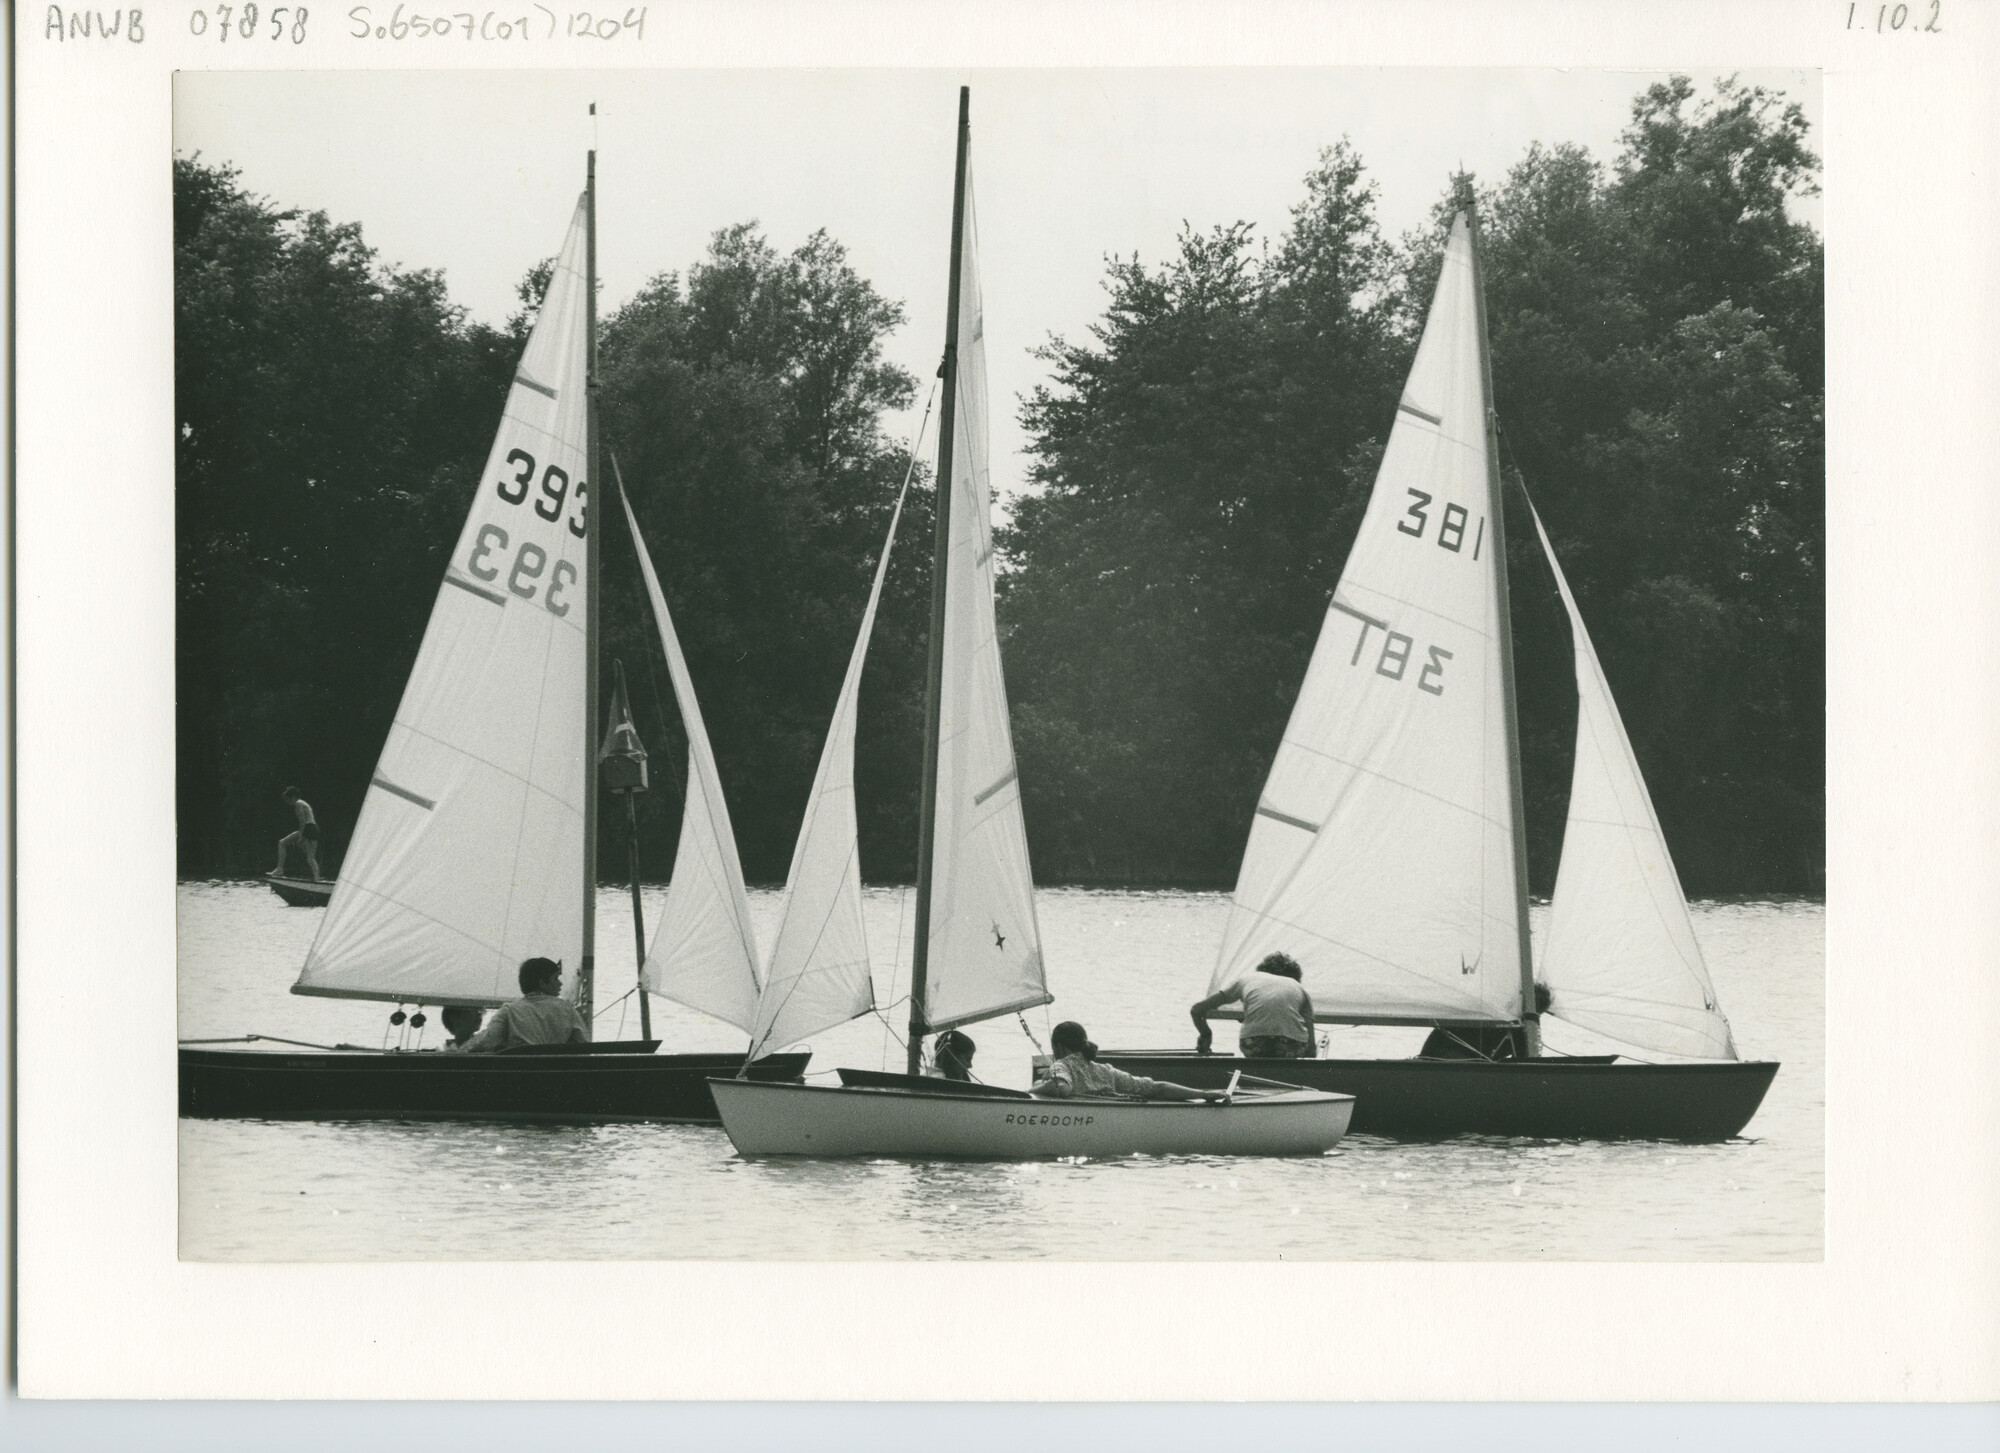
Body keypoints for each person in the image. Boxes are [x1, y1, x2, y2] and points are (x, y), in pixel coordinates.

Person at [1031, 1021, 1227, 1102]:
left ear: (1058, 1047)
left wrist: (1032, 1089)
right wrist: (1203, 1094)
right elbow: (1157, 1088)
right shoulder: (1105, 1071)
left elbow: (1061, 1088)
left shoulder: (1061, 1066)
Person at [1189, 952, 1317, 1058]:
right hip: (1290, 1046)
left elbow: (1196, 1009)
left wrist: (1206, 1034)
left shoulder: (1247, 979)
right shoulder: (1300, 988)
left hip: (1253, 1044)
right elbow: (1311, 1048)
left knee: (1258, 1049)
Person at [460, 958, 587, 1053]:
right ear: (542, 983)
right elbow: (582, 1044)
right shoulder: (567, 1009)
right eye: (556, 979)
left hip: (522, 1078)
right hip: (558, 1079)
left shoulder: (510, 1010)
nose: (560, 984)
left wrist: (459, 1051)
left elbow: (488, 1040)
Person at [272, 786, 323, 882]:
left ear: (293, 797)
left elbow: (302, 821)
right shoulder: (303, 803)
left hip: (308, 828)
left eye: (287, 799)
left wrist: (301, 836)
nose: (287, 802)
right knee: (310, 857)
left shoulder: (298, 804)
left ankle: (279, 869)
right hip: (314, 829)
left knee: (282, 843)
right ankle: (317, 880)